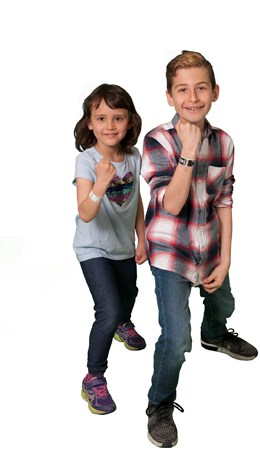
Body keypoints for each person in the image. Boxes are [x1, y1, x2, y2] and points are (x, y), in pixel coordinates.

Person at [141, 50, 258, 447]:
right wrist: (188, 156)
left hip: (209, 248)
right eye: (182, 90)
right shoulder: (159, 140)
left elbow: (224, 201)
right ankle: (160, 403)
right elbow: (170, 204)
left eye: (201, 87)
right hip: (171, 255)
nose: (193, 97)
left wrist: (225, 258)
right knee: (176, 339)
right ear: (170, 96)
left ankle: (216, 333)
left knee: (223, 302)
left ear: (215, 92)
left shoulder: (224, 142)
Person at [73, 83, 148, 415]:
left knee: (128, 294)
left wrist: (142, 237)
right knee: (107, 309)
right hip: (93, 248)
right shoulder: (86, 161)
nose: (110, 125)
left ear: (129, 121)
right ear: (90, 122)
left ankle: (124, 322)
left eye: (118, 118)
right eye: (101, 118)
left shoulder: (133, 156)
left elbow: (136, 201)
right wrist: (102, 182)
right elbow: (85, 213)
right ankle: (94, 377)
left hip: (123, 246)